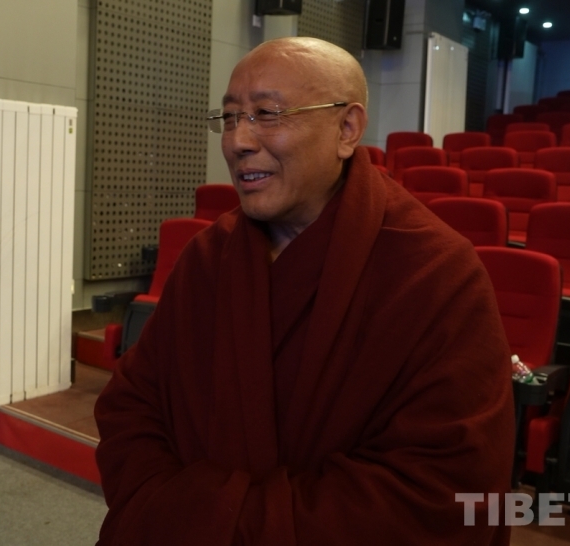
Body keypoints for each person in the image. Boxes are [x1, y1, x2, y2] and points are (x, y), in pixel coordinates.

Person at [94, 37, 515, 545]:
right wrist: (163, 503)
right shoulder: (210, 256)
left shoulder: (434, 272)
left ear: (347, 129)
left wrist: (201, 520)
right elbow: (132, 405)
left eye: (267, 114)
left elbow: (440, 489)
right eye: (230, 117)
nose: (238, 140)